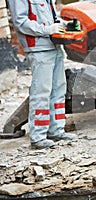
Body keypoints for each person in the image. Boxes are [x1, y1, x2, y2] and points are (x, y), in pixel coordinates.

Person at [8, 0, 77, 149]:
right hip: (39, 49)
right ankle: (38, 137)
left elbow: (50, 17)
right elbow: (21, 22)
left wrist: (64, 25)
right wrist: (48, 30)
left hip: (55, 46)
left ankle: (56, 130)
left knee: (58, 90)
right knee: (41, 93)